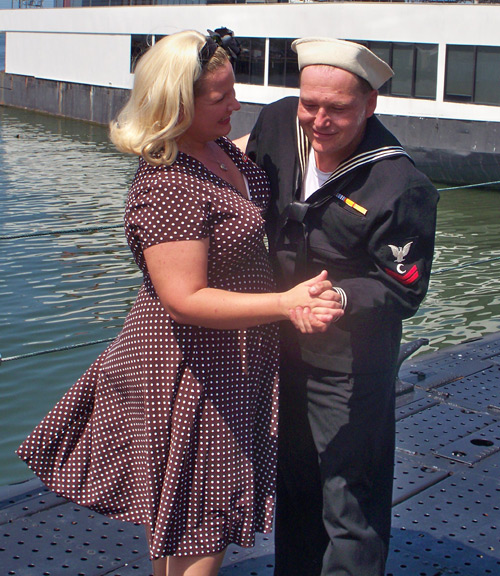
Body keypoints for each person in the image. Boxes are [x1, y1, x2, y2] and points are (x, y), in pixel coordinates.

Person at [16, 30, 343, 576]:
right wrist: (285, 303)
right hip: (190, 364)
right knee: (203, 518)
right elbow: (183, 300)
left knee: (188, 519)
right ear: (177, 104)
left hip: (230, 357)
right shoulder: (167, 184)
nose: (236, 106)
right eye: (220, 98)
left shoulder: (216, 151)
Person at [244, 37, 440, 576]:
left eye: (338, 109)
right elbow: (245, 167)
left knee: (349, 498)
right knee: (296, 482)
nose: (319, 120)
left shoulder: (401, 186)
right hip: (279, 344)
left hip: (350, 364)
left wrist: (340, 296)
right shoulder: (281, 121)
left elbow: (403, 289)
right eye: (311, 103)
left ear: (370, 105)